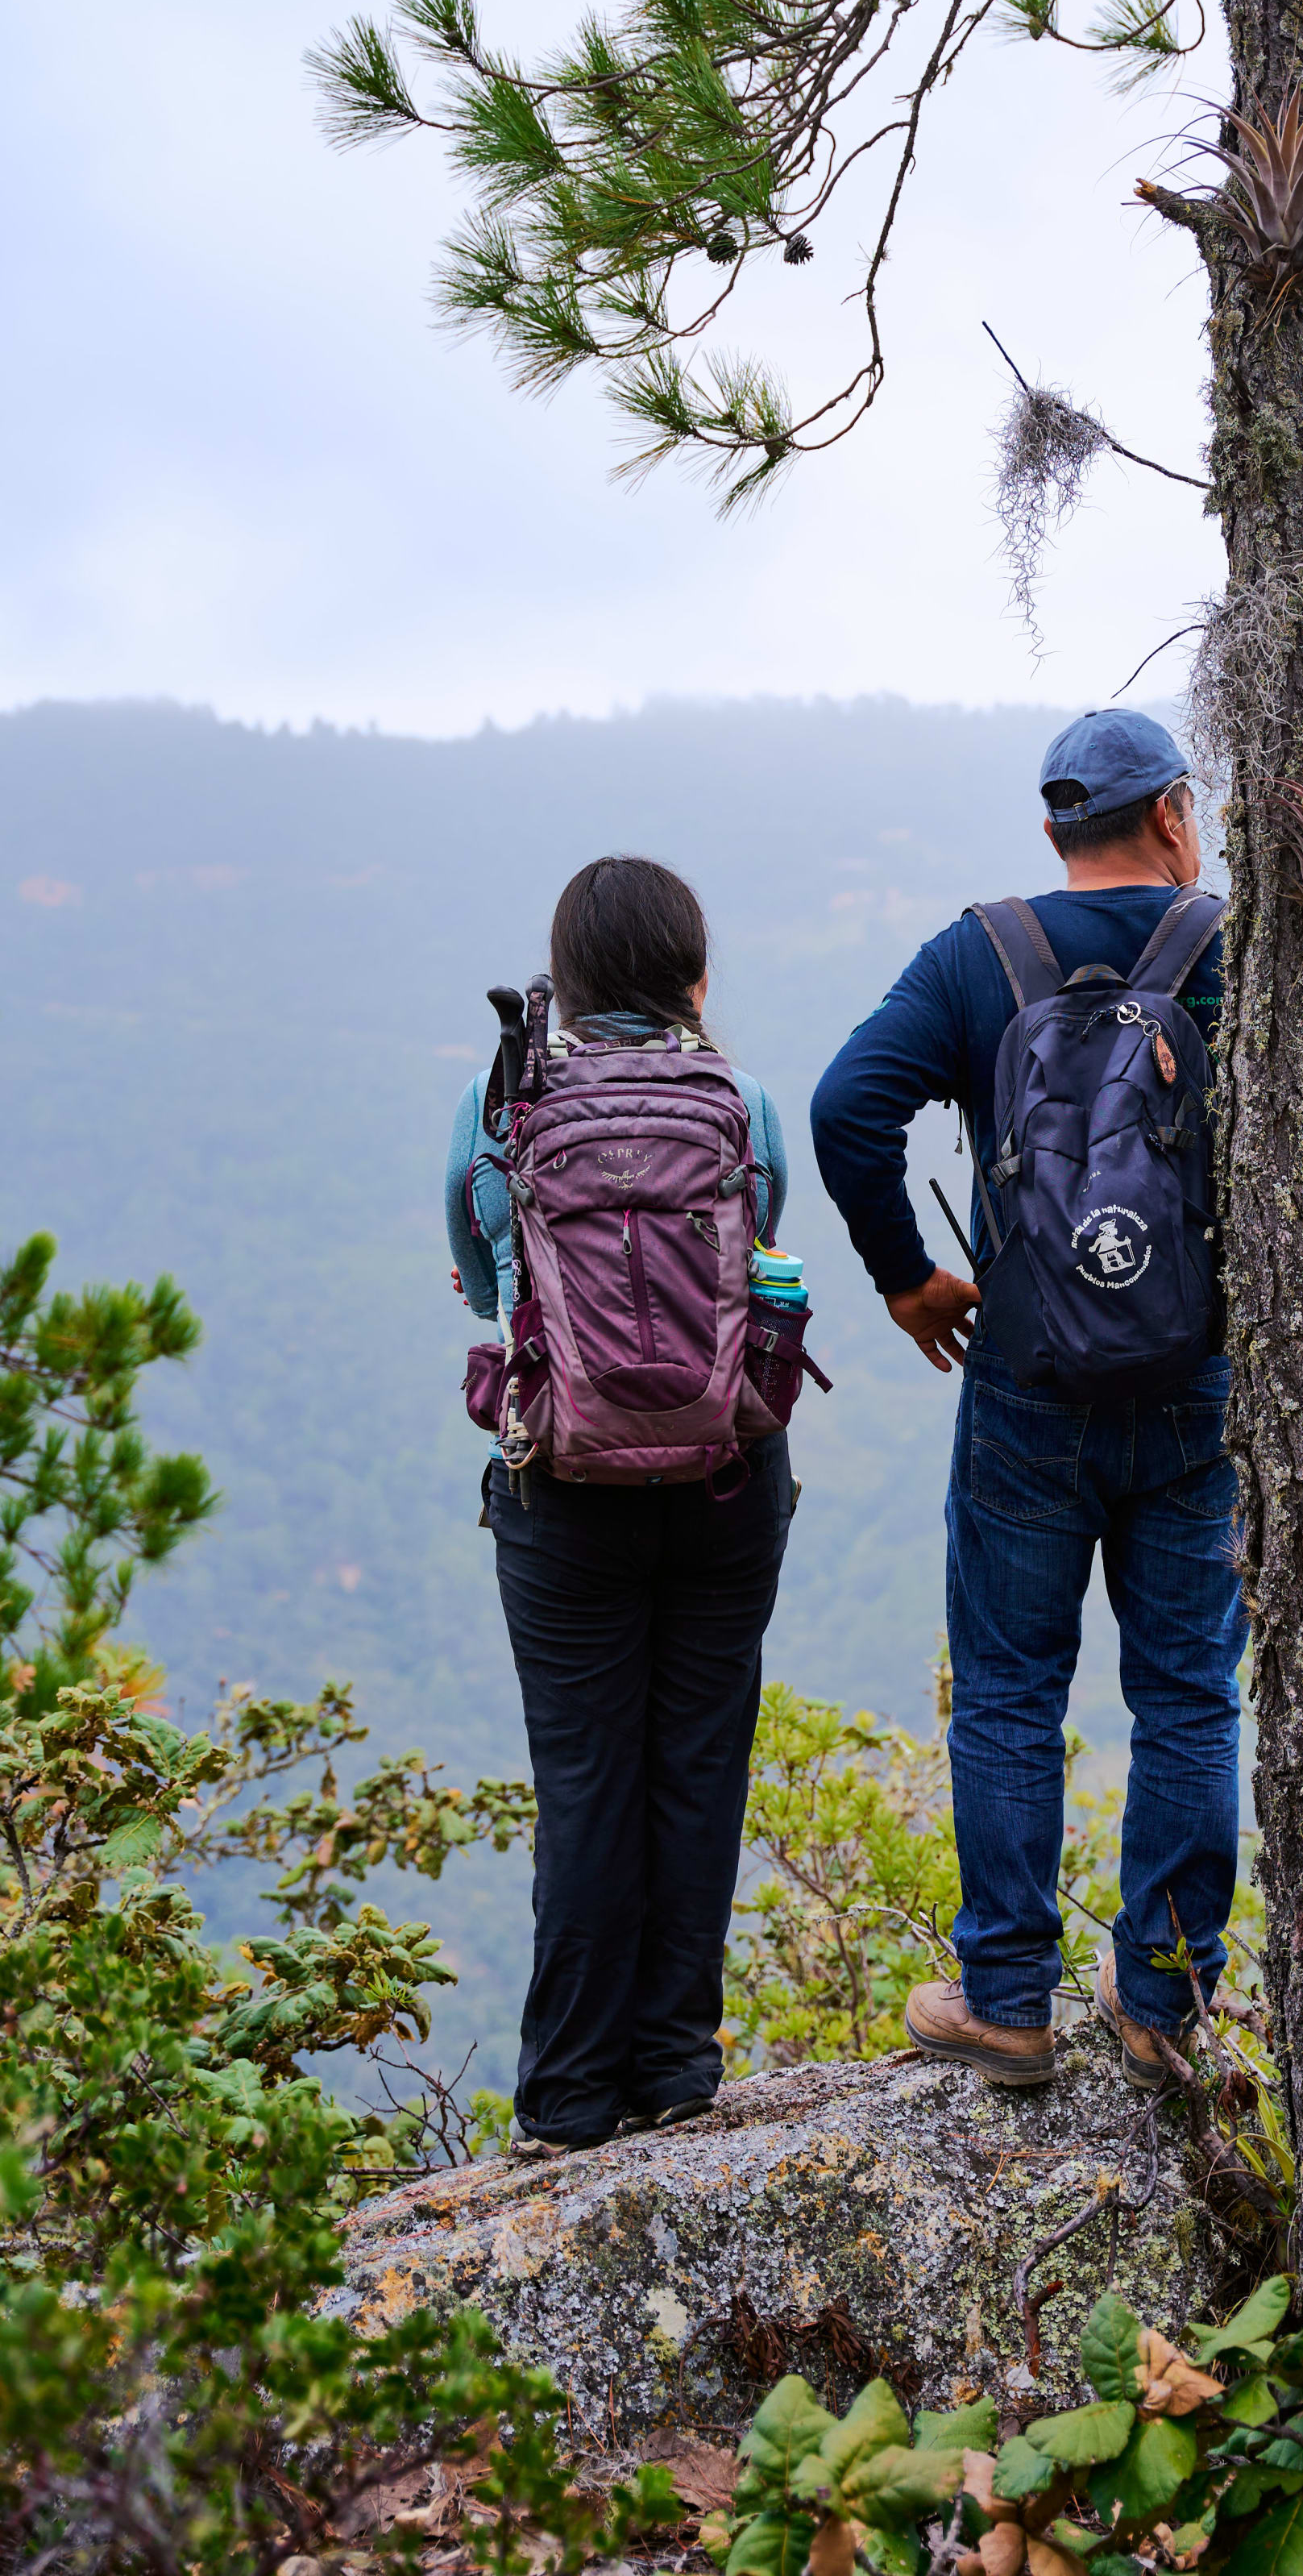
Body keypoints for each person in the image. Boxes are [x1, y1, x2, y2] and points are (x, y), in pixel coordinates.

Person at [810, 711, 1303, 2093]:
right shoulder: (1217, 947)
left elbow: (850, 1106)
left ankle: (1008, 2002)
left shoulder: (981, 954)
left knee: (1012, 1690)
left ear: (1054, 831)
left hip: (1026, 1381)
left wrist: (908, 1281)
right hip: (1198, 1378)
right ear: (1177, 814)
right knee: (1190, 1692)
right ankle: (1162, 2007)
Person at [444, 854, 796, 2153]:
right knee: (699, 1764)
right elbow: (763, 1251)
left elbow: (474, 1258)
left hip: (562, 1485)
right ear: (697, 981)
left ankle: (572, 2095)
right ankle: (678, 2067)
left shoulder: (505, 1104)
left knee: (586, 1779)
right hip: (724, 1471)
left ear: (566, 985)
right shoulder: (743, 1099)